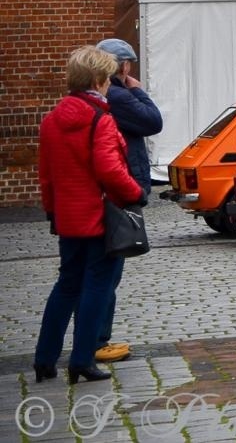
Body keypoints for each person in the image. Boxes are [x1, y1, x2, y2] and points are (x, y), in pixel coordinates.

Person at [34, 46, 144, 384]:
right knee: (97, 285)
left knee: (66, 284)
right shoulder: (101, 119)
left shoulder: (52, 120)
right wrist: (135, 193)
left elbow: (47, 175)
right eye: (108, 79)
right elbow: (110, 170)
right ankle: (82, 359)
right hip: (100, 217)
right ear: (98, 80)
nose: (110, 85)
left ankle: (44, 358)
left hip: (68, 218)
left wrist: (54, 211)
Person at [94, 39, 160, 365]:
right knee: (107, 271)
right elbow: (153, 121)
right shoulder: (119, 96)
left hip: (102, 199)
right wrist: (138, 90)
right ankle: (96, 340)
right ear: (122, 67)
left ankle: (90, 340)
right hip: (119, 196)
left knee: (94, 273)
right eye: (128, 65)